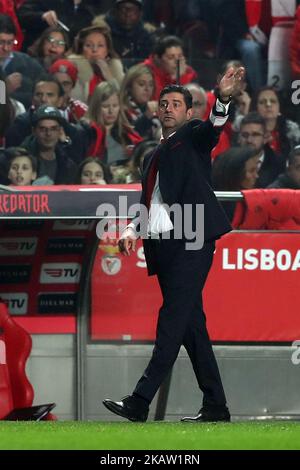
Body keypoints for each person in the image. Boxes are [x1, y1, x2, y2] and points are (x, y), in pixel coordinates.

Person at [103, 66, 245, 423]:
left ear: (187, 111)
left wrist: (223, 98)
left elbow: (214, 127)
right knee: (191, 327)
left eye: (176, 104)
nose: (168, 108)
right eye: (163, 103)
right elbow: (150, 202)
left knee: (171, 321)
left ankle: (139, 400)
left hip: (193, 241)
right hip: (166, 246)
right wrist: (133, 231)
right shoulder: (153, 155)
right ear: (157, 111)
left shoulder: (194, 135)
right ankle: (216, 406)